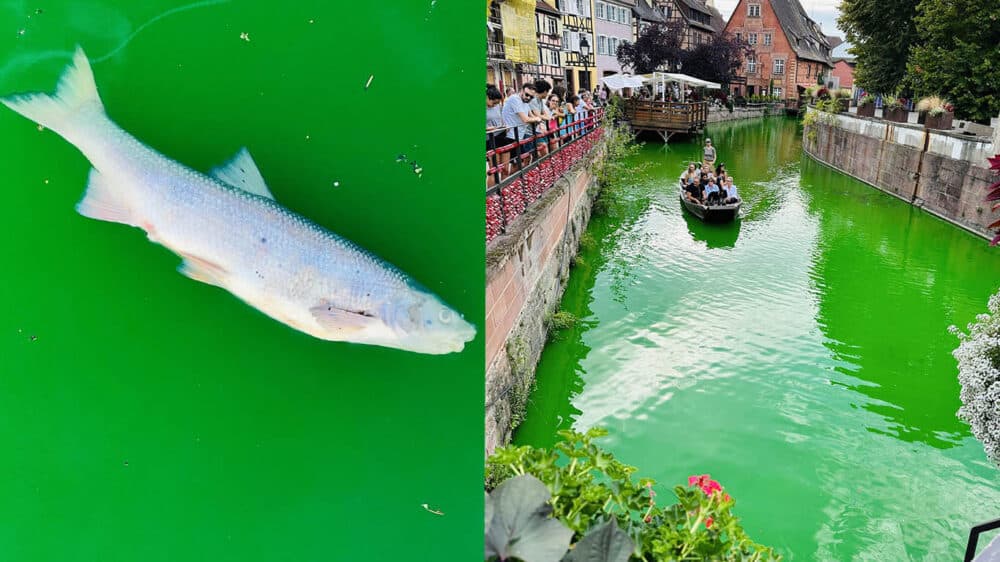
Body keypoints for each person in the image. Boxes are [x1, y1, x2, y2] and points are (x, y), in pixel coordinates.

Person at [501, 82, 543, 165]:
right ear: (521, 91)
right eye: (527, 94)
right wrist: (537, 119)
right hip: (510, 136)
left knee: (526, 158)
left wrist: (539, 121)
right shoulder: (515, 99)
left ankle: (520, 177)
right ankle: (515, 178)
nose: (528, 98)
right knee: (513, 164)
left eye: (531, 97)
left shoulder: (525, 102)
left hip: (519, 135)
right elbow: (526, 119)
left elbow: (531, 116)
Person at [486, 84, 511, 181]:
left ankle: (505, 192)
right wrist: (489, 128)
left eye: (497, 103)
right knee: (494, 171)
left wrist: (505, 125)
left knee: (505, 168)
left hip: (501, 136)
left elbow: (501, 118)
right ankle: (493, 194)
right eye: (493, 103)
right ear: (487, 97)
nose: (495, 105)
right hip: (490, 139)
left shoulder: (497, 107)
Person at [529, 79, 553, 157]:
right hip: (530, 130)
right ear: (545, 91)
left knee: (544, 151)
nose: (548, 94)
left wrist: (545, 117)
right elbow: (538, 115)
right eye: (548, 92)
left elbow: (545, 115)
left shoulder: (540, 101)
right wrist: (546, 117)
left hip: (537, 129)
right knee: (542, 151)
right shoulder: (533, 100)